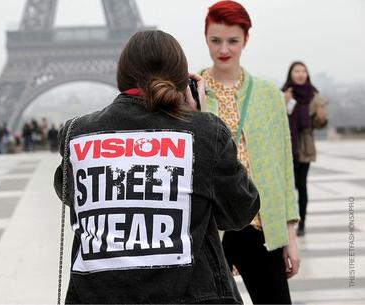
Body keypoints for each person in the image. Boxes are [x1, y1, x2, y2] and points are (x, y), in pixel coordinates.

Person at [54, 30, 260, 304]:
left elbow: (75, 198)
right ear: (182, 81)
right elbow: (239, 212)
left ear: (122, 74)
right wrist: (197, 119)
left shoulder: (76, 133)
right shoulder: (204, 132)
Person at [200, 1, 300, 304]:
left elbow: (283, 167)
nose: (224, 49)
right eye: (215, 40)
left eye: (233, 40)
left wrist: (290, 238)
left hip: (260, 224)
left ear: (246, 39)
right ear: (205, 37)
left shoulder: (269, 95)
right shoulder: (191, 91)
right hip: (210, 227)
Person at [282, 61, 328, 237]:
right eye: (296, 71)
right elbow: (278, 119)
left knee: (302, 186)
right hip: (288, 144)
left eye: (303, 71)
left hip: (306, 145)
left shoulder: (314, 97)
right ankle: (288, 221)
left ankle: (302, 222)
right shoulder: (285, 93)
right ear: (291, 74)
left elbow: (318, 124)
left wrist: (321, 118)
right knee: (289, 186)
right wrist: (284, 103)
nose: (300, 74)